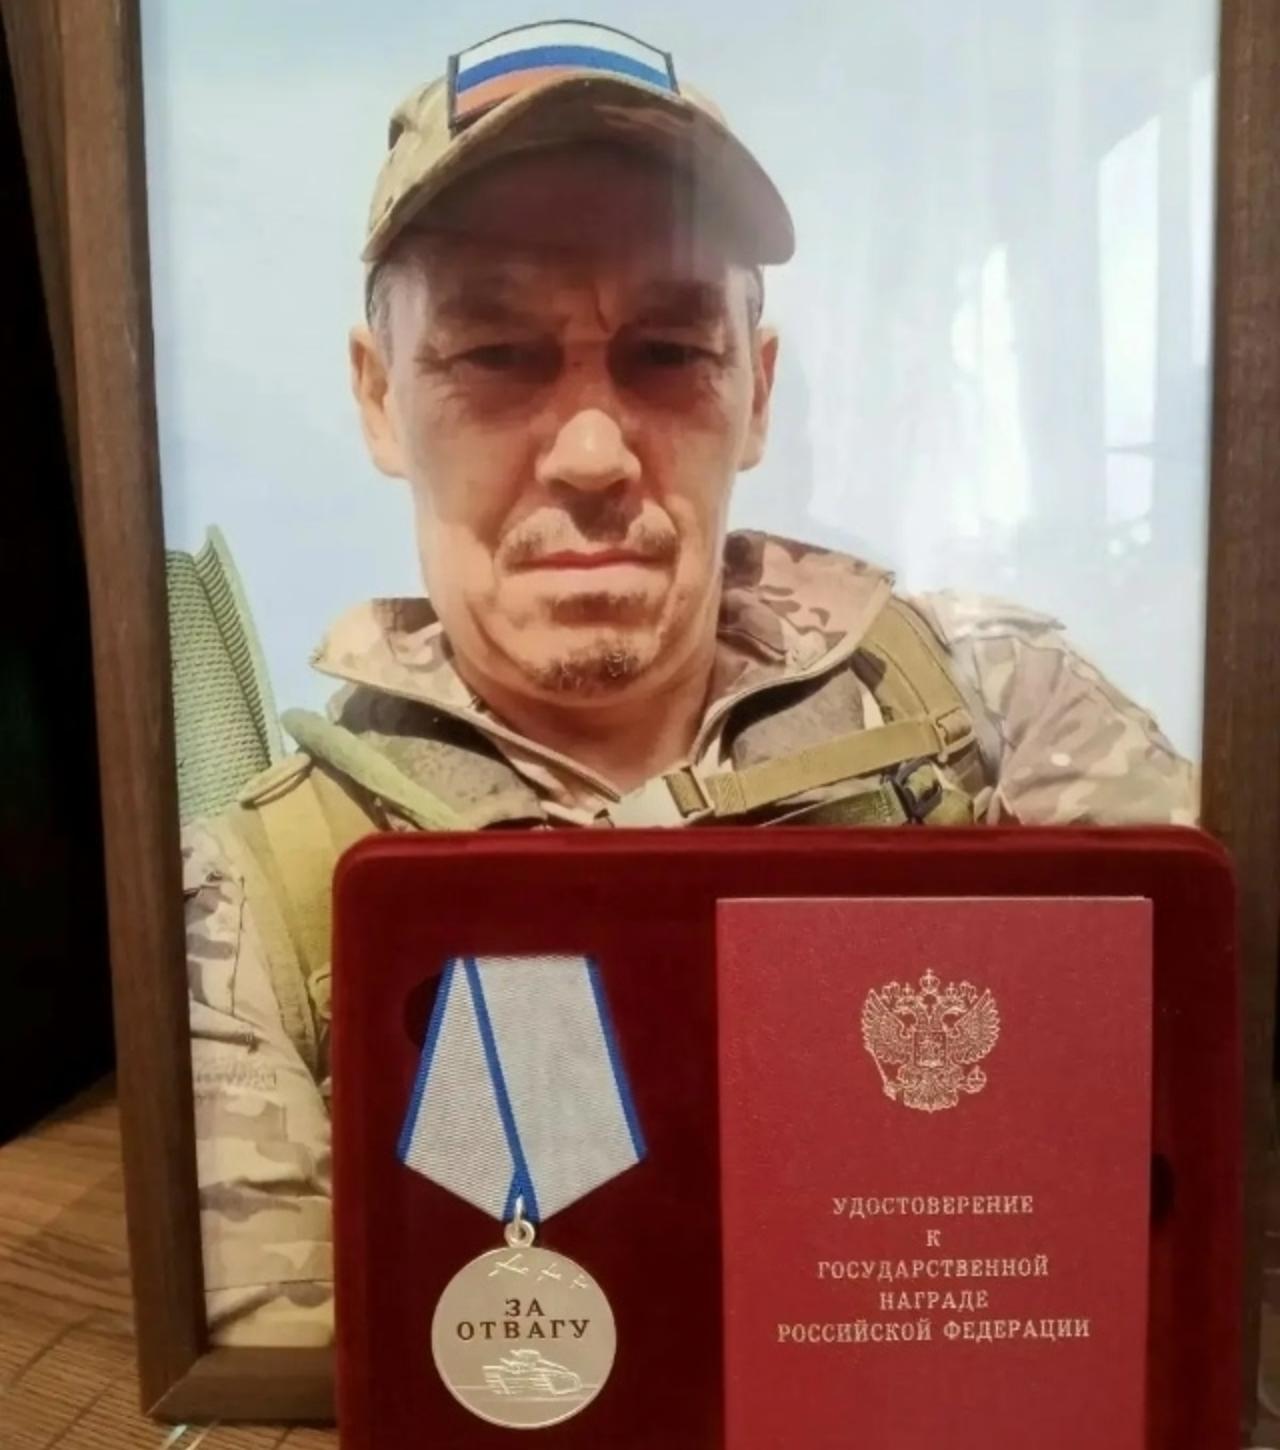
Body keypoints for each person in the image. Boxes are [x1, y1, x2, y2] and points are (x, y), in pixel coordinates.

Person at [183, 19, 1195, 1346]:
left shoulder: (991, 701)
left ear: (756, 392)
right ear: (380, 400)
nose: (593, 453)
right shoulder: (257, 899)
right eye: (495, 356)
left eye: (668, 353)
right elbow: (263, 1387)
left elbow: (1211, 1181)